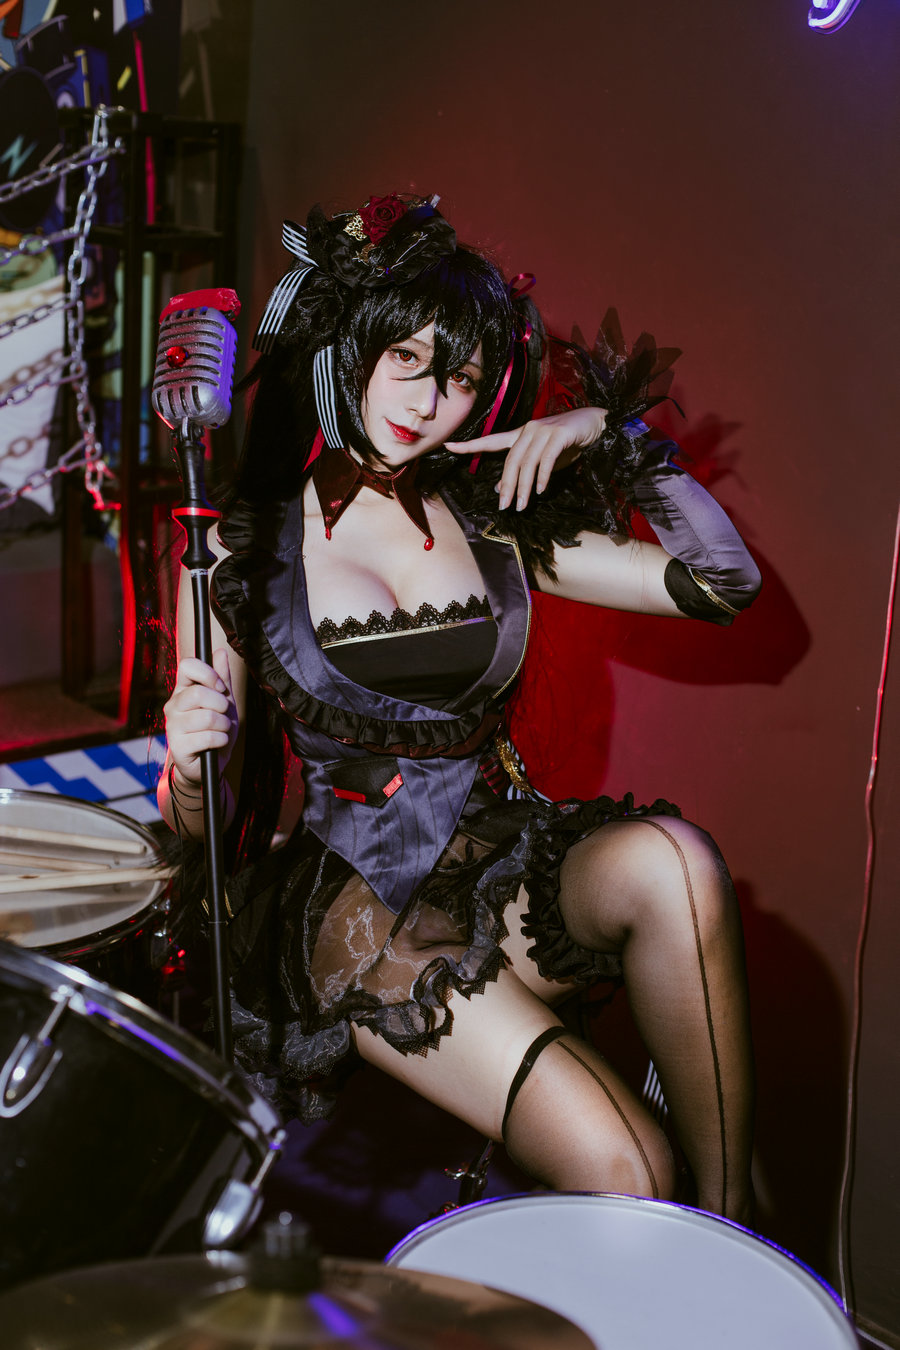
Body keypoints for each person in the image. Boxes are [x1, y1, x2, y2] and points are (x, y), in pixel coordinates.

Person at [159, 192, 761, 1224]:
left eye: (462, 376)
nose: (428, 399)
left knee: (677, 863)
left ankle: (735, 1229)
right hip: (355, 904)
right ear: (349, 346)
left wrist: (615, 436)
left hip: (488, 864)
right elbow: (198, 825)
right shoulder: (237, 550)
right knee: (631, 1168)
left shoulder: (494, 525)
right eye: (406, 357)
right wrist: (183, 760)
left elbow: (720, 584)